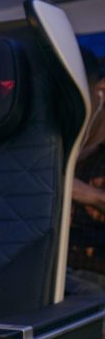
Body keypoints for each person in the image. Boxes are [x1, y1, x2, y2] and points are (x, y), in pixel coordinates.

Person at [67, 48, 105, 292]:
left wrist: (89, 195)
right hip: (48, 274)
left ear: (100, 91)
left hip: (95, 279)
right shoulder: (56, 146)